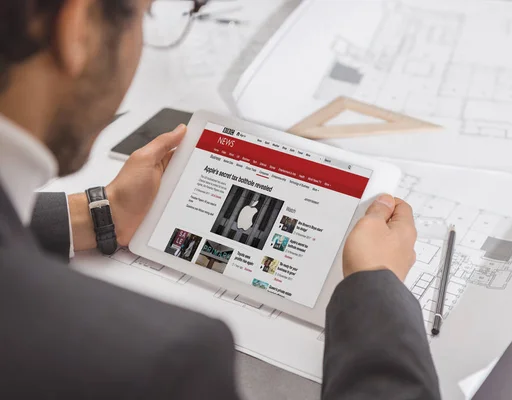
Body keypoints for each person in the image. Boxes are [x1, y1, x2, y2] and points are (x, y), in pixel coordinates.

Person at [0, 0, 441, 399]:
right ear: (76, 27)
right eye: (145, 15)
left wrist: (98, 214)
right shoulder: (160, 361)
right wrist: (376, 288)